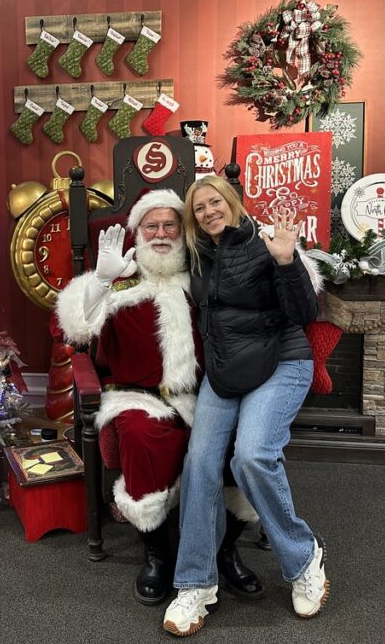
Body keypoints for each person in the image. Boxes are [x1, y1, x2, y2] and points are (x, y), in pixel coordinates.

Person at [55, 190, 261, 606]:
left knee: (242, 444)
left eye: (170, 225)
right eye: (152, 226)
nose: (162, 234)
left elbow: (273, 290)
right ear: (138, 232)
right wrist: (99, 279)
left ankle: (224, 548)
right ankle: (158, 553)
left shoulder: (206, 276)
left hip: (206, 397)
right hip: (137, 397)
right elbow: (75, 327)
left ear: (183, 231)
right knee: (141, 437)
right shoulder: (118, 281)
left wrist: (263, 240)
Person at [163, 175, 327, 637]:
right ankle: (195, 584)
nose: (209, 211)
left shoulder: (266, 243)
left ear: (232, 201)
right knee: (198, 464)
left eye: (215, 202)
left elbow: (304, 314)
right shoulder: (198, 255)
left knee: (252, 456)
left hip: (280, 363)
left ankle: (302, 559)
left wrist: (287, 262)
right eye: (199, 208)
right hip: (226, 373)